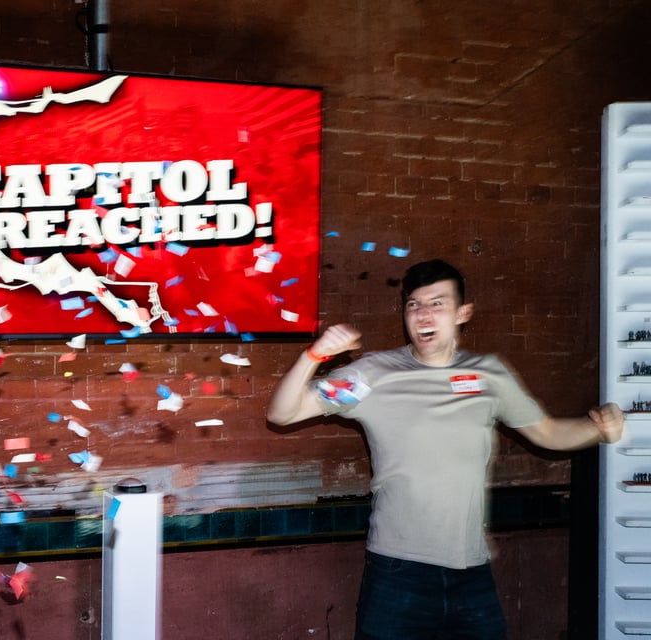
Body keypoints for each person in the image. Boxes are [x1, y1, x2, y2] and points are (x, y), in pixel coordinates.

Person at [266, 258, 624, 640]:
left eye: (437, 303)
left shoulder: (489, 375)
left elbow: (549, 433)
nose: (423, 315)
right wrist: (314, 356)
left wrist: (598, 430)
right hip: (398, 573)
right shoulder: (372, 375)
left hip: (472, 575)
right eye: (414, 305)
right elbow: (282, 413)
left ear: (462, 312)